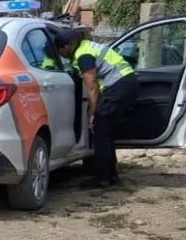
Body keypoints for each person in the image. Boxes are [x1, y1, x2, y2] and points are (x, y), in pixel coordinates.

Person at [54, 28, 137, 188]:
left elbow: (92, 87)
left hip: (119, 86)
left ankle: (103, 178)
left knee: (101, 131)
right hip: (125, 83)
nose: (61, 55)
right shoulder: (86, 46)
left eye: (60, 51)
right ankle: (111, 176)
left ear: (66, 47)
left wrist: (92, 113)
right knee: (106, 132)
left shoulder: (83, 56)